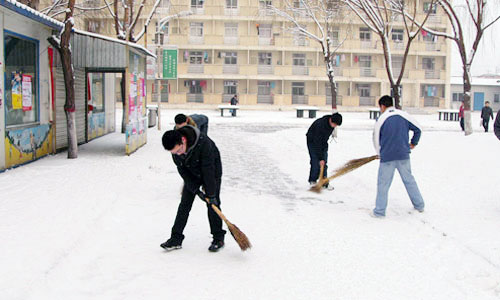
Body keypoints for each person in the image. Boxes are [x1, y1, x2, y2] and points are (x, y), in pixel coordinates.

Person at [161, 126, 226, 252]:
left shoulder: (204, 144)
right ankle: (176, 238)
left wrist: (211, 194)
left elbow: (209, 170)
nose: (178, 154)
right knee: (184, 204)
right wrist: (196, 189)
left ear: (183, 140)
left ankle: (218, 238)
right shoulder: (175, 150)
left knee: (213, 205)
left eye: (179, 150)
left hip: (212, 172)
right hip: (192, 172)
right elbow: (182, 171)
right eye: (174, 153)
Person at [371, 95, 425, 218]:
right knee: (409, 180)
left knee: (383, 184)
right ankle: (419, 205)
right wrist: (413, 143)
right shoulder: (404, 115)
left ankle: (379, 211)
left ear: (382, 106)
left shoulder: (381, 119)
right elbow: (418, 129)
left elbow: (375, 138)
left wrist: (379, 153)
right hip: (403, 155)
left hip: (387, 157)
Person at [306, 112, 343, 189]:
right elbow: (317, 142)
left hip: (322, 142)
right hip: (312, 141)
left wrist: (323, 157)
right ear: (331, 120)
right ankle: (313, 180)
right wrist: (320, 158)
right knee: (315, 162)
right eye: (335, 124)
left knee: (324, 164)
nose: (335, 126)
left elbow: (324, 139)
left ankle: (324, 182)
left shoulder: (331, 125)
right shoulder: (320, 125)